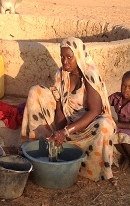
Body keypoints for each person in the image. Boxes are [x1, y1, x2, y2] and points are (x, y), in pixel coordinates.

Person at [20, 37, 117, 182]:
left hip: (87, 126)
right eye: (62, 57)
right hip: (67, 123)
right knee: (36, 92)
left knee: (105, 125)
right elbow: (60, 108)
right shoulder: (62, 74)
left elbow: (95, 111)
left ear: (78, 56)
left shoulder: (89, 76)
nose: (65, 62)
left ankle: (91, 168)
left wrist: (66, 132)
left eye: (69, 57)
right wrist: (59, 132)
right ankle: (37, 146)